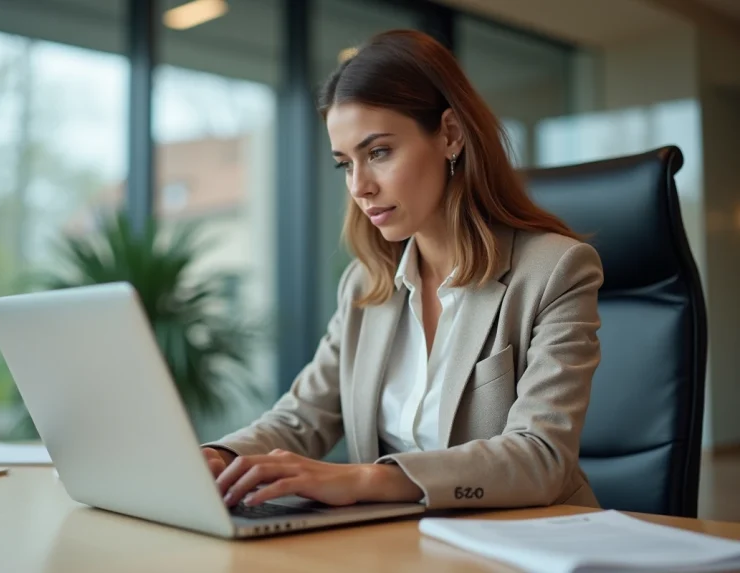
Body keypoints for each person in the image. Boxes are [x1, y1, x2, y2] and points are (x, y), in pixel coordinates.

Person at [202, 29, 603, 512]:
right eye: (344, 164)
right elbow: (302, 417)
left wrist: (363, 479)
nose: (360, 186)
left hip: (527, 537)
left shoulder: (555, 271)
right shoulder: (365, 285)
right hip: (398, 542)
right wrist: (220, 456)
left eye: (378, 152)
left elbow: (540, 458)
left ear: (450, 134)